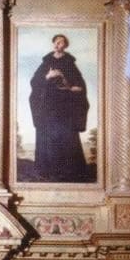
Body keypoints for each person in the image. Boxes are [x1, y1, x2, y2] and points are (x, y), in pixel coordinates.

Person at [29, 34, 90, 181]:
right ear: (53, 44)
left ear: (65, 45)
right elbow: (34, 82)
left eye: (61, 42)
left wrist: (68, 85)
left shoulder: (69, 63)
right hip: (48, 108)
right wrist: (47, 76)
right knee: (48, 135)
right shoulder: (47, 62)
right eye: (56, 42)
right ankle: (47, 171)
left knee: (66, 136)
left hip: (65, 108)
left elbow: (80, 86)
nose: (58, 44)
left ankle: (70, 172)